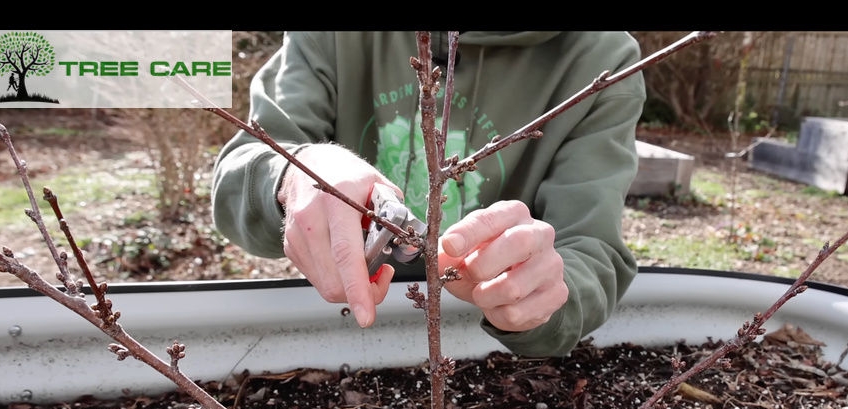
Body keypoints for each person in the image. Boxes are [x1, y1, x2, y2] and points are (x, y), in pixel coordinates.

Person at [211, 31, 644, 357]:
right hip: (329, 329)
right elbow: (245, 167)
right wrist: (295, 175)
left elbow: (592, 249)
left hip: (483, 343)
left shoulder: (603, 59)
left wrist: (544, 297)